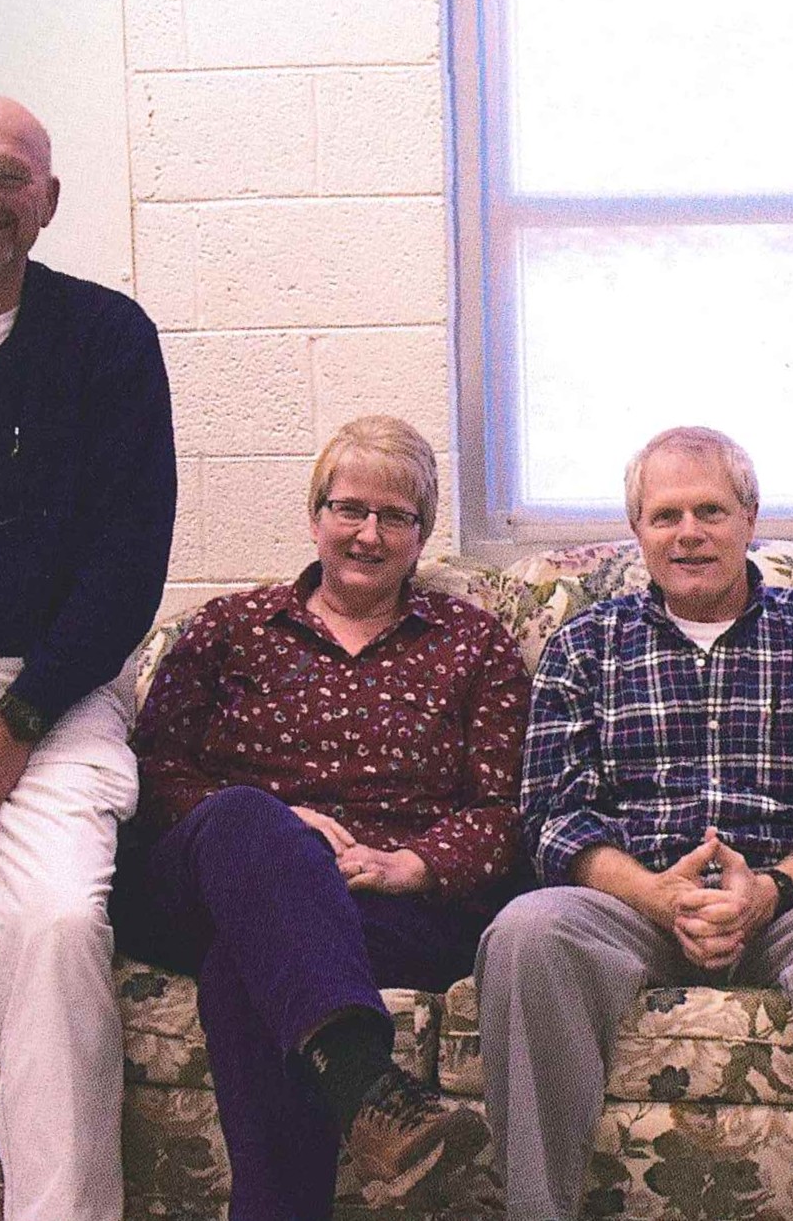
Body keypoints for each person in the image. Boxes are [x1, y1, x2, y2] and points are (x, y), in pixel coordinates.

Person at [477, 425, 793, 1221]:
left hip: (791, 905)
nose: (688, 533)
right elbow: (553, 814)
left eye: (710, 511)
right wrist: (657, 896)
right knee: (526, 932)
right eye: (666, 516)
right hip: (631, 905)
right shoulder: (585, 646)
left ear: (749, 517)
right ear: (638, 530)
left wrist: (770, 891)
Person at [118, 416, 530, 1217]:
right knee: (249, 819)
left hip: (389, 907)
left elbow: (503, 807)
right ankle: (369, 1084)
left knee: (249, 963)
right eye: (350, 509)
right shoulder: (230, 629)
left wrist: (412, 865)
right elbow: (155, 768)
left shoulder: (473, 645)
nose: (369, 534)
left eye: (395, 517)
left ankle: (343, 1104)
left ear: (422, 536)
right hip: (208, 883)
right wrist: (279, 833)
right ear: (315, 517)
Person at [0, 95, 176, 1220]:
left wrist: (15, 720)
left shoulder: (109, 339)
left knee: (59, 930)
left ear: (49, 201)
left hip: (54, 693)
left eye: (11, 178)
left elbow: (129, 566)